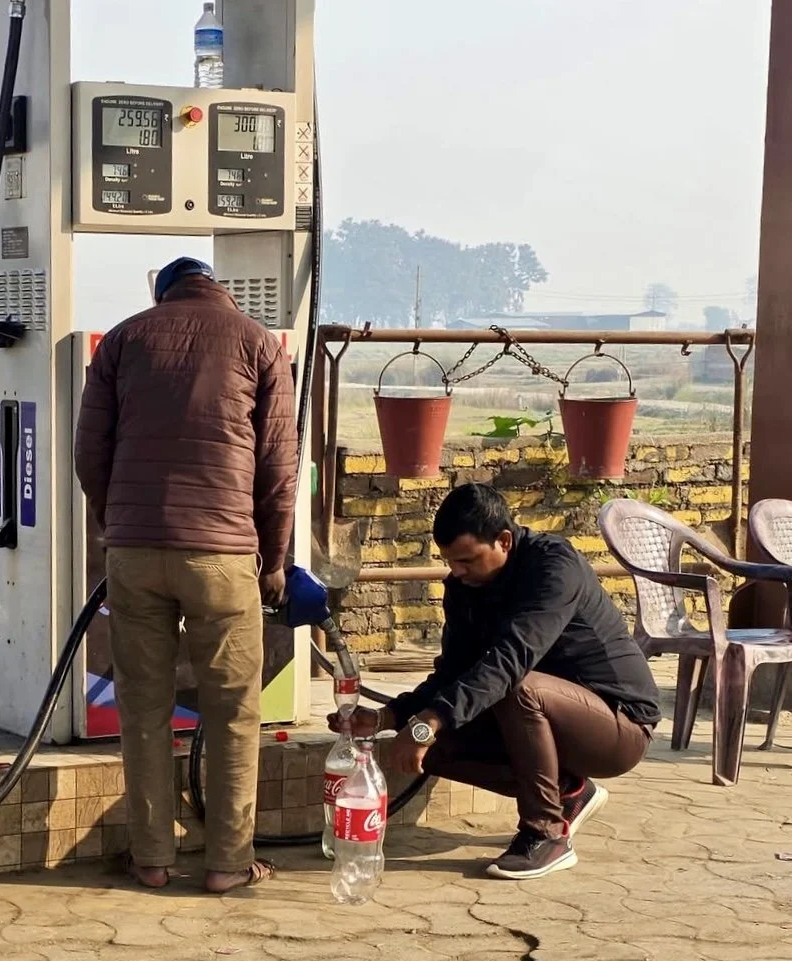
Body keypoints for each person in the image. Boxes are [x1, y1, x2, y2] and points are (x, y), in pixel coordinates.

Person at [74, 256, 297, 893]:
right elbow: (278, 471)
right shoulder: (258, 343)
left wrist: (113, 521)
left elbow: (91, 452)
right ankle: (228, 864)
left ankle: (151, 859)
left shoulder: (123, 339)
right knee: (232, 712)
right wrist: (274, 561)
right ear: (220, 290)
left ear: (161, 291)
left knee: (142, 709)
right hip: (224, 557)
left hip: (136, 553)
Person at [342, 483, 661, 880]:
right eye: (451, 562)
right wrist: (389, 718)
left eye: (467, 560)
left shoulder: (554, 568)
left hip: (619, 727)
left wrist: (427, 723)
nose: (457, 572)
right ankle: (567, 790)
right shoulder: (464, 587)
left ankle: (545, 835)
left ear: (504, 541)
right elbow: (453, 673)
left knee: (516, 689)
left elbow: (510, 662)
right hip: (548, 719)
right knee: (432, 745)